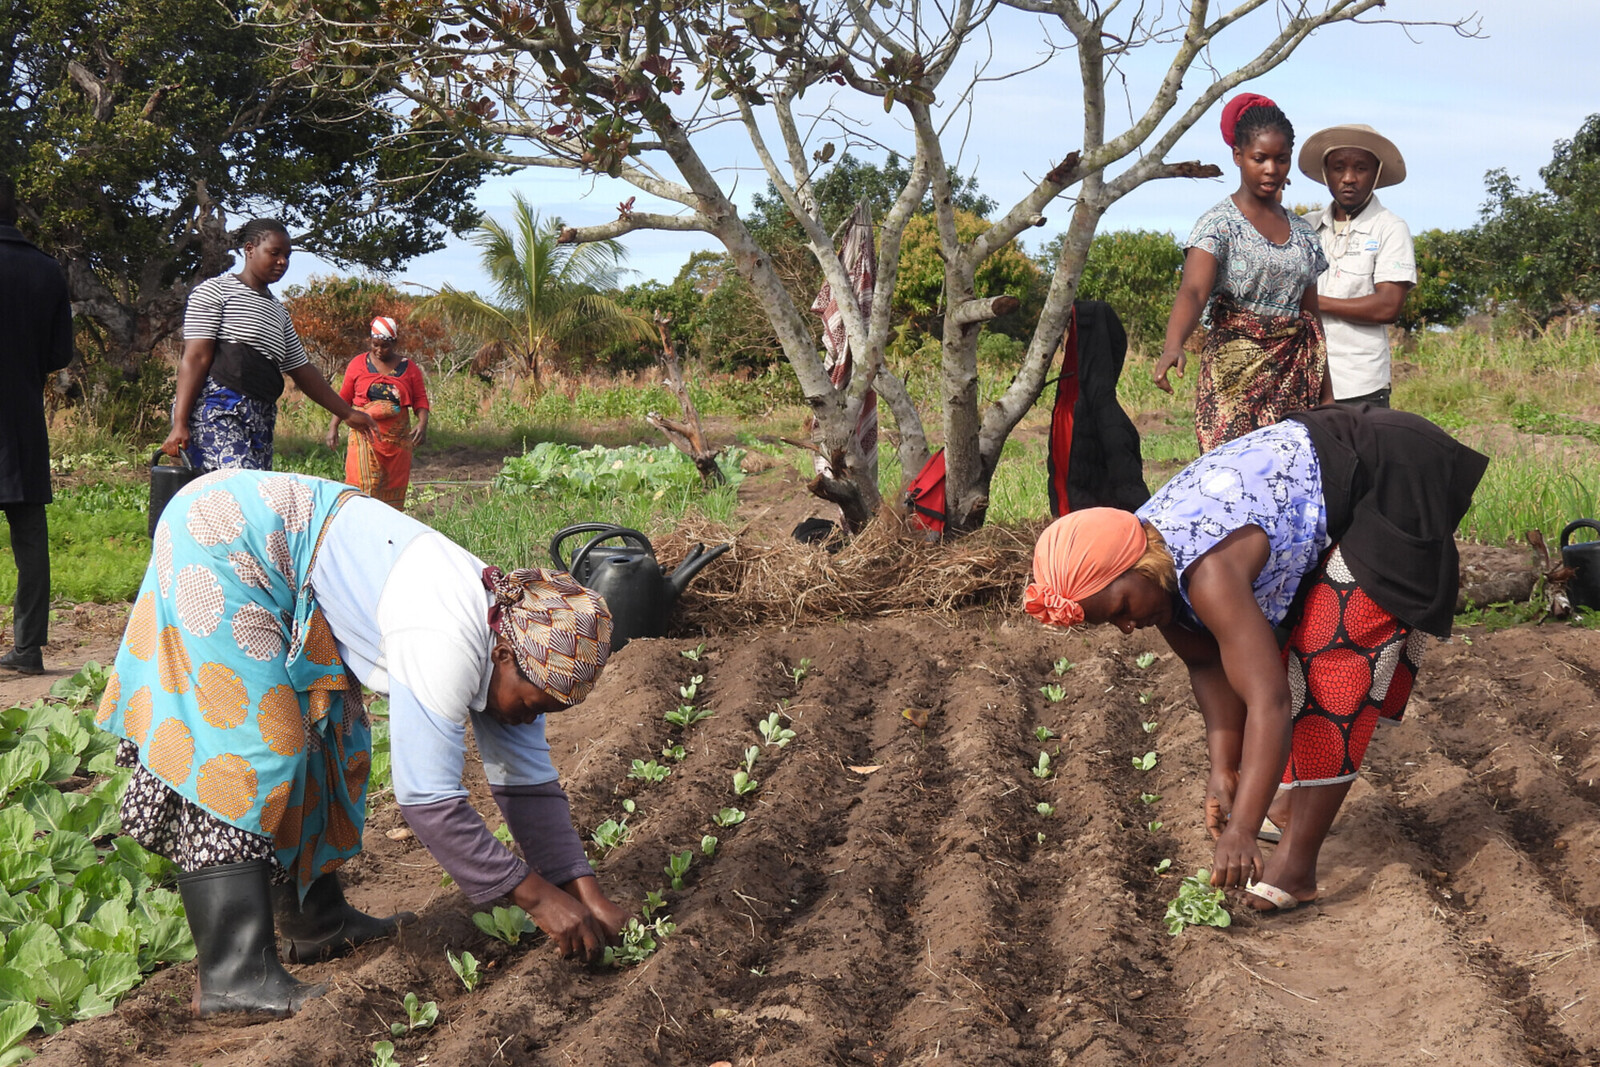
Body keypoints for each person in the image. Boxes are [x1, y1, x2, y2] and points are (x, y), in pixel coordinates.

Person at [94, 468, 625, 1017]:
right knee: (248, 752)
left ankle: (315, 919)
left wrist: (584, 891)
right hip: (226, 538)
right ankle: (233, 974)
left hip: (288, 549)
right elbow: (430, 802)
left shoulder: (516, 637)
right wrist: (538, 898)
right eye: (534, 705)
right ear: (504, 656)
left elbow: (529, 784)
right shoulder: (444, 638)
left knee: (331, 739)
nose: (529, 719)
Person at [1024, 405, 1487, 912]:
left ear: (1137, 564)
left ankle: (1298, 867)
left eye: (1120, 609)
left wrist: (1242, 828)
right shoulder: (1157, 573)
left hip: (1394, 470)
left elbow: (1269, 701)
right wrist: (1224, 766)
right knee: (1283, 650)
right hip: (1340, 471)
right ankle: (1290, 807)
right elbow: (1207, 664)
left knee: (1332, 664)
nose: (1127, 626)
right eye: (1111, 623)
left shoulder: (1207, 572)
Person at [1154, 94, 1331, 451]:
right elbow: (1193, 291)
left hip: (1293, 381)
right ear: (1238, 157)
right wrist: (1174, 344)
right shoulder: (1218, 225)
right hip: (1233, 382)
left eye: (1281, 160)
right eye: (1259, 158)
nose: (1271, 169)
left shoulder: (1305, 237)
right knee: (1232, 481)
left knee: (1288, 480)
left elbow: (1312, 322)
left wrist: (1327, 395)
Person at [161, 219, 376, 471]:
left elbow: (302, 370)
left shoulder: (279, 312)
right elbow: (196, 358)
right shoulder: (215, 291)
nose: (282, 261)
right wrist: (180, 423)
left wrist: (348, 414)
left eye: (287, 256)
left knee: (254, 499)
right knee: (241, 487)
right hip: (218, 410)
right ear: (250, 249)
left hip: (260, 416)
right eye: (274, 253)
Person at [0, 177, 74, 676]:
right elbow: (58, 354)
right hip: (21, 421)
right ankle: (28, 650)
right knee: (30, 540)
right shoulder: (48, 271)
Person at [1299, 125, 1417, 408]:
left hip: (1359, 383)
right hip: (1303, 379)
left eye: (1361, 168)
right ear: (1327, 173)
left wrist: (1315, 302)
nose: (1349, 178)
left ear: (1376, 174)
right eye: (1339, 168)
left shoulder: (1389, 228)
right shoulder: (1305, 227)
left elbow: (1387, 306)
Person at [325, 316, 431, 509]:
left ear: (395, 343)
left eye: (385, 346)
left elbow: (420, 400)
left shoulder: (410, 368)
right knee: (361, 490)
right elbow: (344, 398)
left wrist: (422, 424)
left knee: (393, 488)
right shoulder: (358, 364)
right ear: (370, 341)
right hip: (364, 436)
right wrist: (333, 426)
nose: (379, 350)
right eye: (375, 345)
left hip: (396, 442)